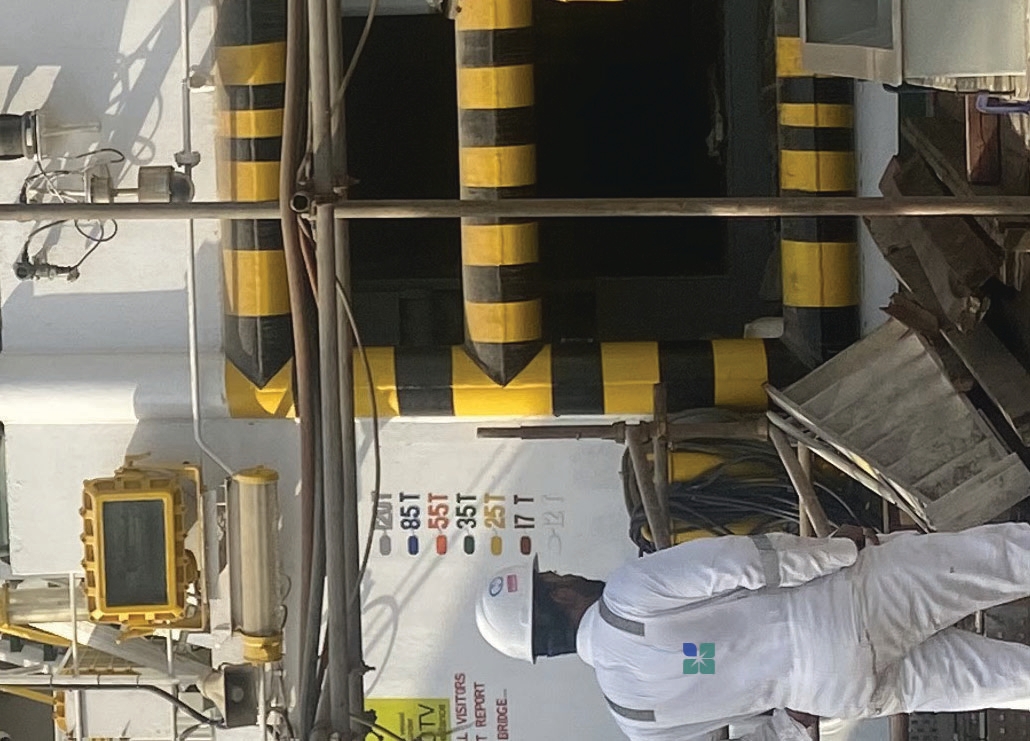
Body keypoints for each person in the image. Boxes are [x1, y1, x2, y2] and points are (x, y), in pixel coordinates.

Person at [475, 523, 1030, 741]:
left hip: (838, 691)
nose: (567, 573)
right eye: (554, 577)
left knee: (1010, 682)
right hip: (848, 605)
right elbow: (749, 562)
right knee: (1007, 561)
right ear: (559, 596)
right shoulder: (625, 594)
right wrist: (843, 549)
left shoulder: (636, 722)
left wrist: (793, 725)